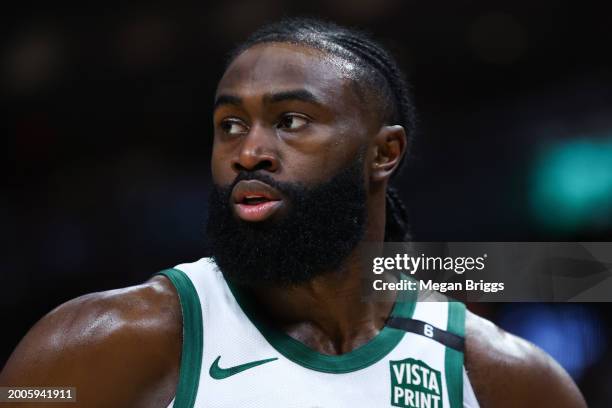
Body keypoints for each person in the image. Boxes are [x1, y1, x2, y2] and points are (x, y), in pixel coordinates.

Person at [0, 18, 585, 408]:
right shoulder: (101, 346)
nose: (248, 152)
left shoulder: (506, 380)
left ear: (384, 154)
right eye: (230, 125)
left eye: (291, 122)